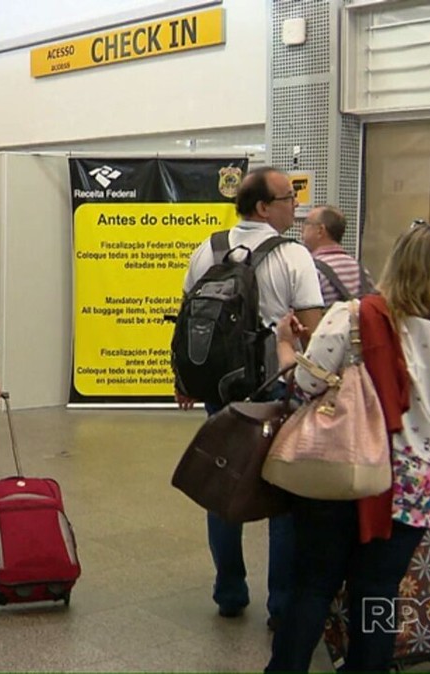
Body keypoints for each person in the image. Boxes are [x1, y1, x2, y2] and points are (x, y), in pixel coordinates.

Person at [266, 221, 430, 672]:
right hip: (409, 492)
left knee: (312, 586)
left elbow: (307, 383)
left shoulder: (349, 316)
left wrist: (288, 344)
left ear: (395, 264)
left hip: (337, 473)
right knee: (379, 593)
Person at [179, 167, 324, 629]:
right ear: (263, 206)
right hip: (276, 391)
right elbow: (315, 330)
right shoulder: (294, 256)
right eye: (288, 198)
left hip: (221, 389)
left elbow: (189, 319)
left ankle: (229, 591)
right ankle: (281, 606)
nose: (295, 206)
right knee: (283, 497)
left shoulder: (209, 248)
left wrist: (183, 378)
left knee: (224, 488)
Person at [302, 205, 375, 303]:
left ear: (320, 230)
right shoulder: (362, 271)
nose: (301, 229)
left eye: (306, 223)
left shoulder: (312, 271)